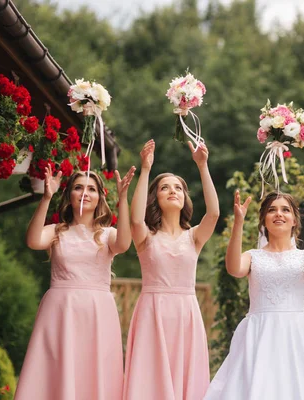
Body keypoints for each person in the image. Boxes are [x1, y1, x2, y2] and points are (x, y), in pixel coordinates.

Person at [15, 165, 135, 400]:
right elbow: (33, 240)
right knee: (57, 370)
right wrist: (47, 197)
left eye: (91, 189)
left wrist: (123, 198)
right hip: (60, 311)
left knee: (92, 372)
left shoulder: (107, 234)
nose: (85, 193)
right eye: (78, 188)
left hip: (96, 312)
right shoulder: (57, 230)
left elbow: (124, 244)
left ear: (99, 197)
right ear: (69, 195)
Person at [204, 189, 304, 400]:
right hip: (259, 332)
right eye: (272, 210)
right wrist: (238, 222)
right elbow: (233, 268)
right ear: (264, 220)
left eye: (286, 210)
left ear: (294, 220)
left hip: (296, 334)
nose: (279, 214)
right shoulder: (252, 256)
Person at [124, 139, 219, 400]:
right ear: (156, 197)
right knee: (149, 378)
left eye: (178, 188)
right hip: (151, 313)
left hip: (186, 314)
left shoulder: (195, 237)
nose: (172, 191)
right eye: (165, 188)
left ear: (185, 197)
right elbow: (134, 219)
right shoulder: (145, 237)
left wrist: (203, 166)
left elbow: (213, 214)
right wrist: (145, 170)